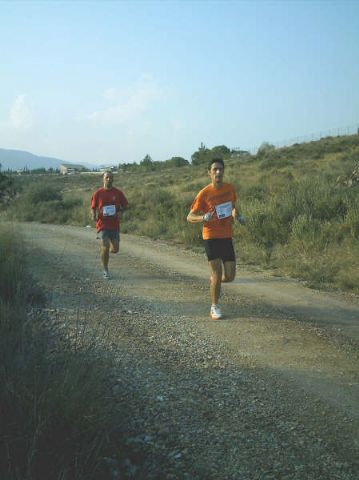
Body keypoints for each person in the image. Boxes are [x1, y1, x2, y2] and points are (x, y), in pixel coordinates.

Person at [187, 158, 245, 320]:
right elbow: (189, 217)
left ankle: (215, 282)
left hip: (226, 236)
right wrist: (203, 218)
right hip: (211, 237)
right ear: (209, 173)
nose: (218, 172)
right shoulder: (204, 193)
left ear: (223, 171)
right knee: (217, 273)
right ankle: (214, 307)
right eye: (215, 170)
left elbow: (232, 207)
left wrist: (238, 216)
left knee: (230, 276)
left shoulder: (230, 189)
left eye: (220, 169)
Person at [91, 171, 128, 279]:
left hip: (114, 224)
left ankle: (105, 252)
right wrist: (93, 215)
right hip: (102, 224)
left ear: (113, 179)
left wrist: (121, 211)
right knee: (105, 246)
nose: (109, 179)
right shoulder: (98, 193)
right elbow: (93, 207)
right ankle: (105, 270)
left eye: (111, 177)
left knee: (115, 249)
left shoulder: (118, 193)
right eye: (107, 177)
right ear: (103, 179)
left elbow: (125, 205)